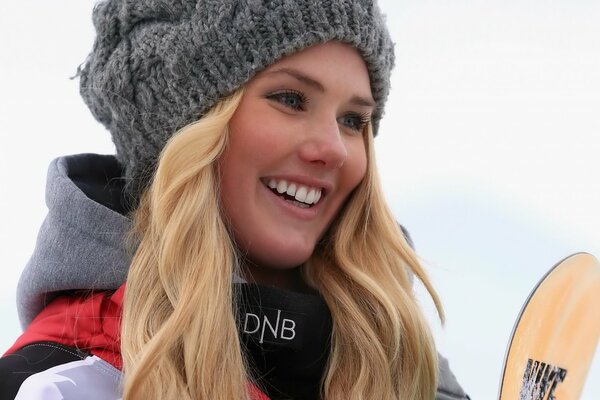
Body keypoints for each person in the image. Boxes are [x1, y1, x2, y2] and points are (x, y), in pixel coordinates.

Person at [0, 0, 469, 399]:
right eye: (290, 99)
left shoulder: (409, 371)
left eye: (352, 120)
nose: (333, 149)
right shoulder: (65, 385)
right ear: (183, 129)